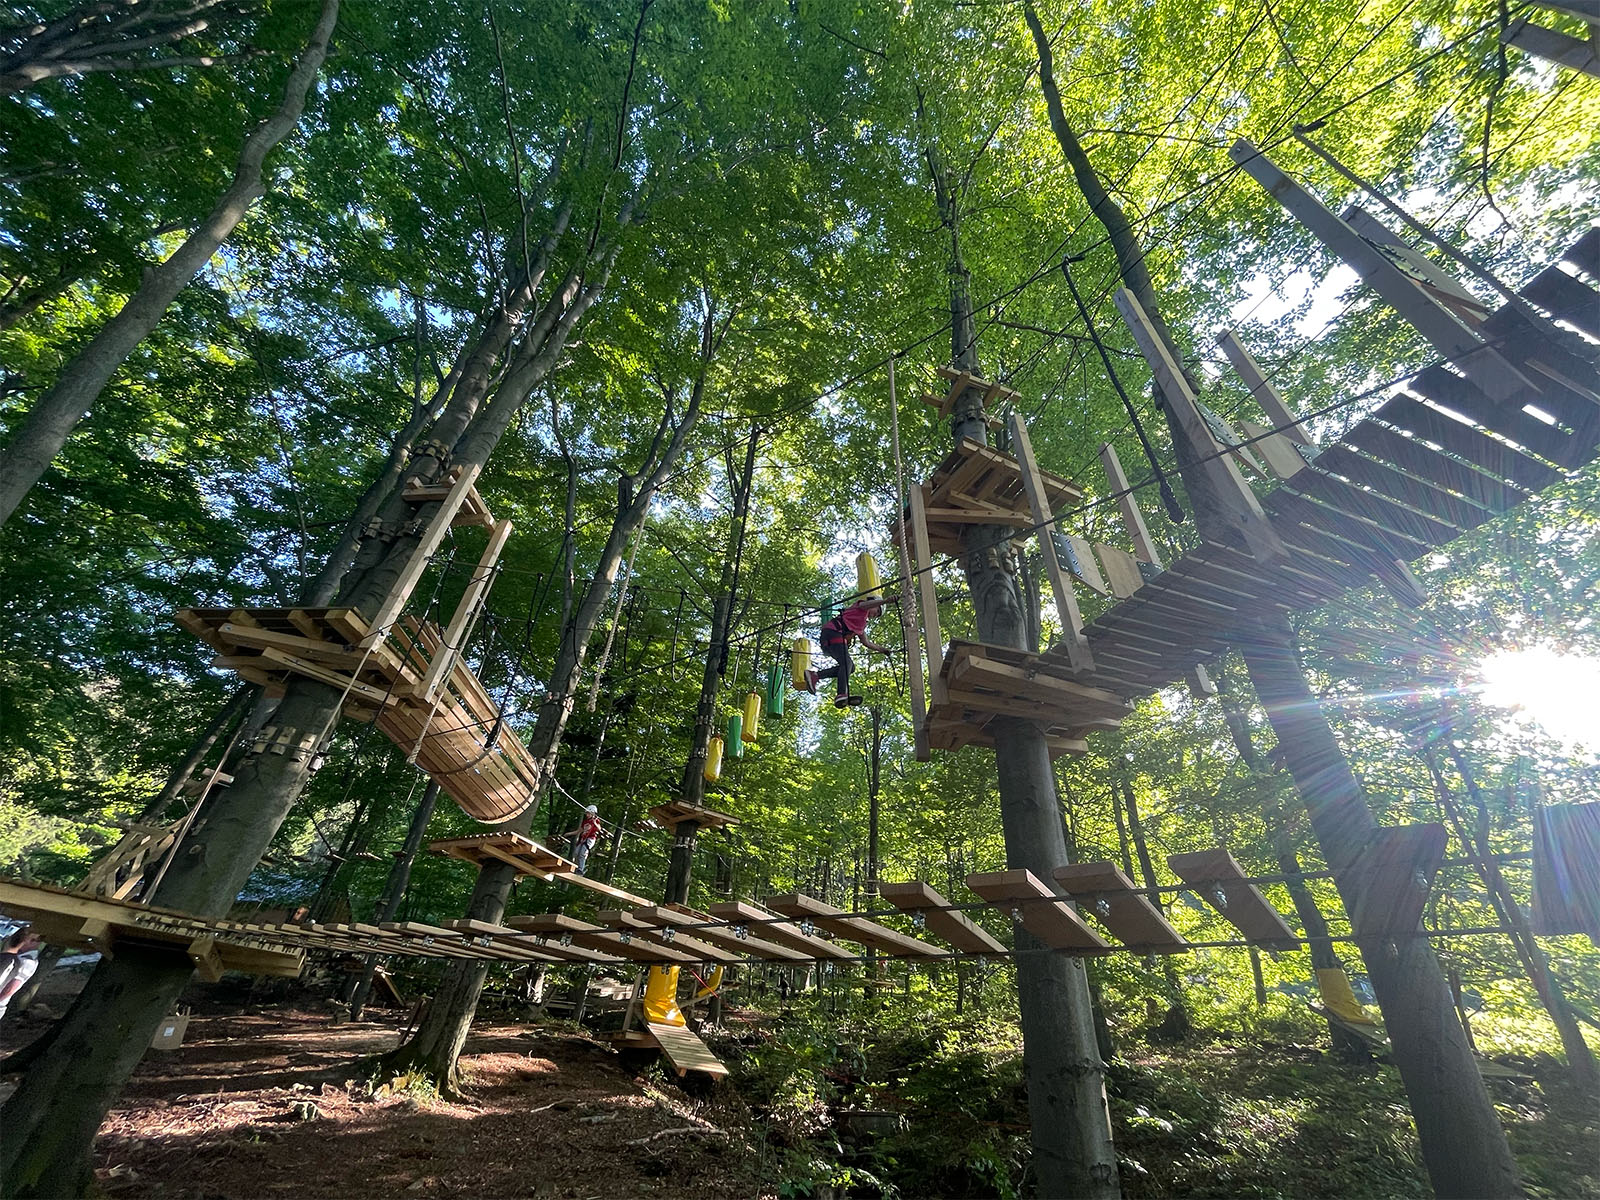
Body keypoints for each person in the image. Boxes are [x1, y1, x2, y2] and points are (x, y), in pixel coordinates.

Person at [808, 597, 891, 707]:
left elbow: (867, 643)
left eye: (877, 615)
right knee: (847, 663)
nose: (875, 615)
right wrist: (885, 600)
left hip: (831, 639)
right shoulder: (860, 607)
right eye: (877, 611)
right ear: (873, 604)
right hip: (833, 632)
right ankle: (841, 693)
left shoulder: (861, 624)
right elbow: (865, 605)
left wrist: (883, 650)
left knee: (850, 668)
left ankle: (815, 676)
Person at [0, 926, 41, 1022]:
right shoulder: (20, 956)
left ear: (33, 941)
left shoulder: (27, 961)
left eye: (24, 938)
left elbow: (11, 988)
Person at [570, 804, 603, 876]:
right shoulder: (585, 821)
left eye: (588, 813)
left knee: (582, 853)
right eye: (587, 813)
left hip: (590, 839)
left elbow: (599, 829)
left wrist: (595, 823)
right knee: (576, 852)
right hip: (583, 839)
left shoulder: (596, 820)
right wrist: (569, 834)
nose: (587, 815)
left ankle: (580, 869)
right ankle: (576, 868)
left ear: (593, 813)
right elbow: (579, 830)